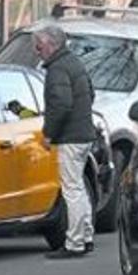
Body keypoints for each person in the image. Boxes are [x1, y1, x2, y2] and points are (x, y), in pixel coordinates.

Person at [33, 25, 97, 259]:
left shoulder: (57, 69)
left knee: (71, 190)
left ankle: (75, 242)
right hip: (84, 133)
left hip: (71, 137)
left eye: (39, 47)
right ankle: (86, 236)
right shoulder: (74, 63)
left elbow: (60, 104)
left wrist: (49, 133)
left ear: (51, 45)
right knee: (78, 187)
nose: (37, 52)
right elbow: (90, 93)